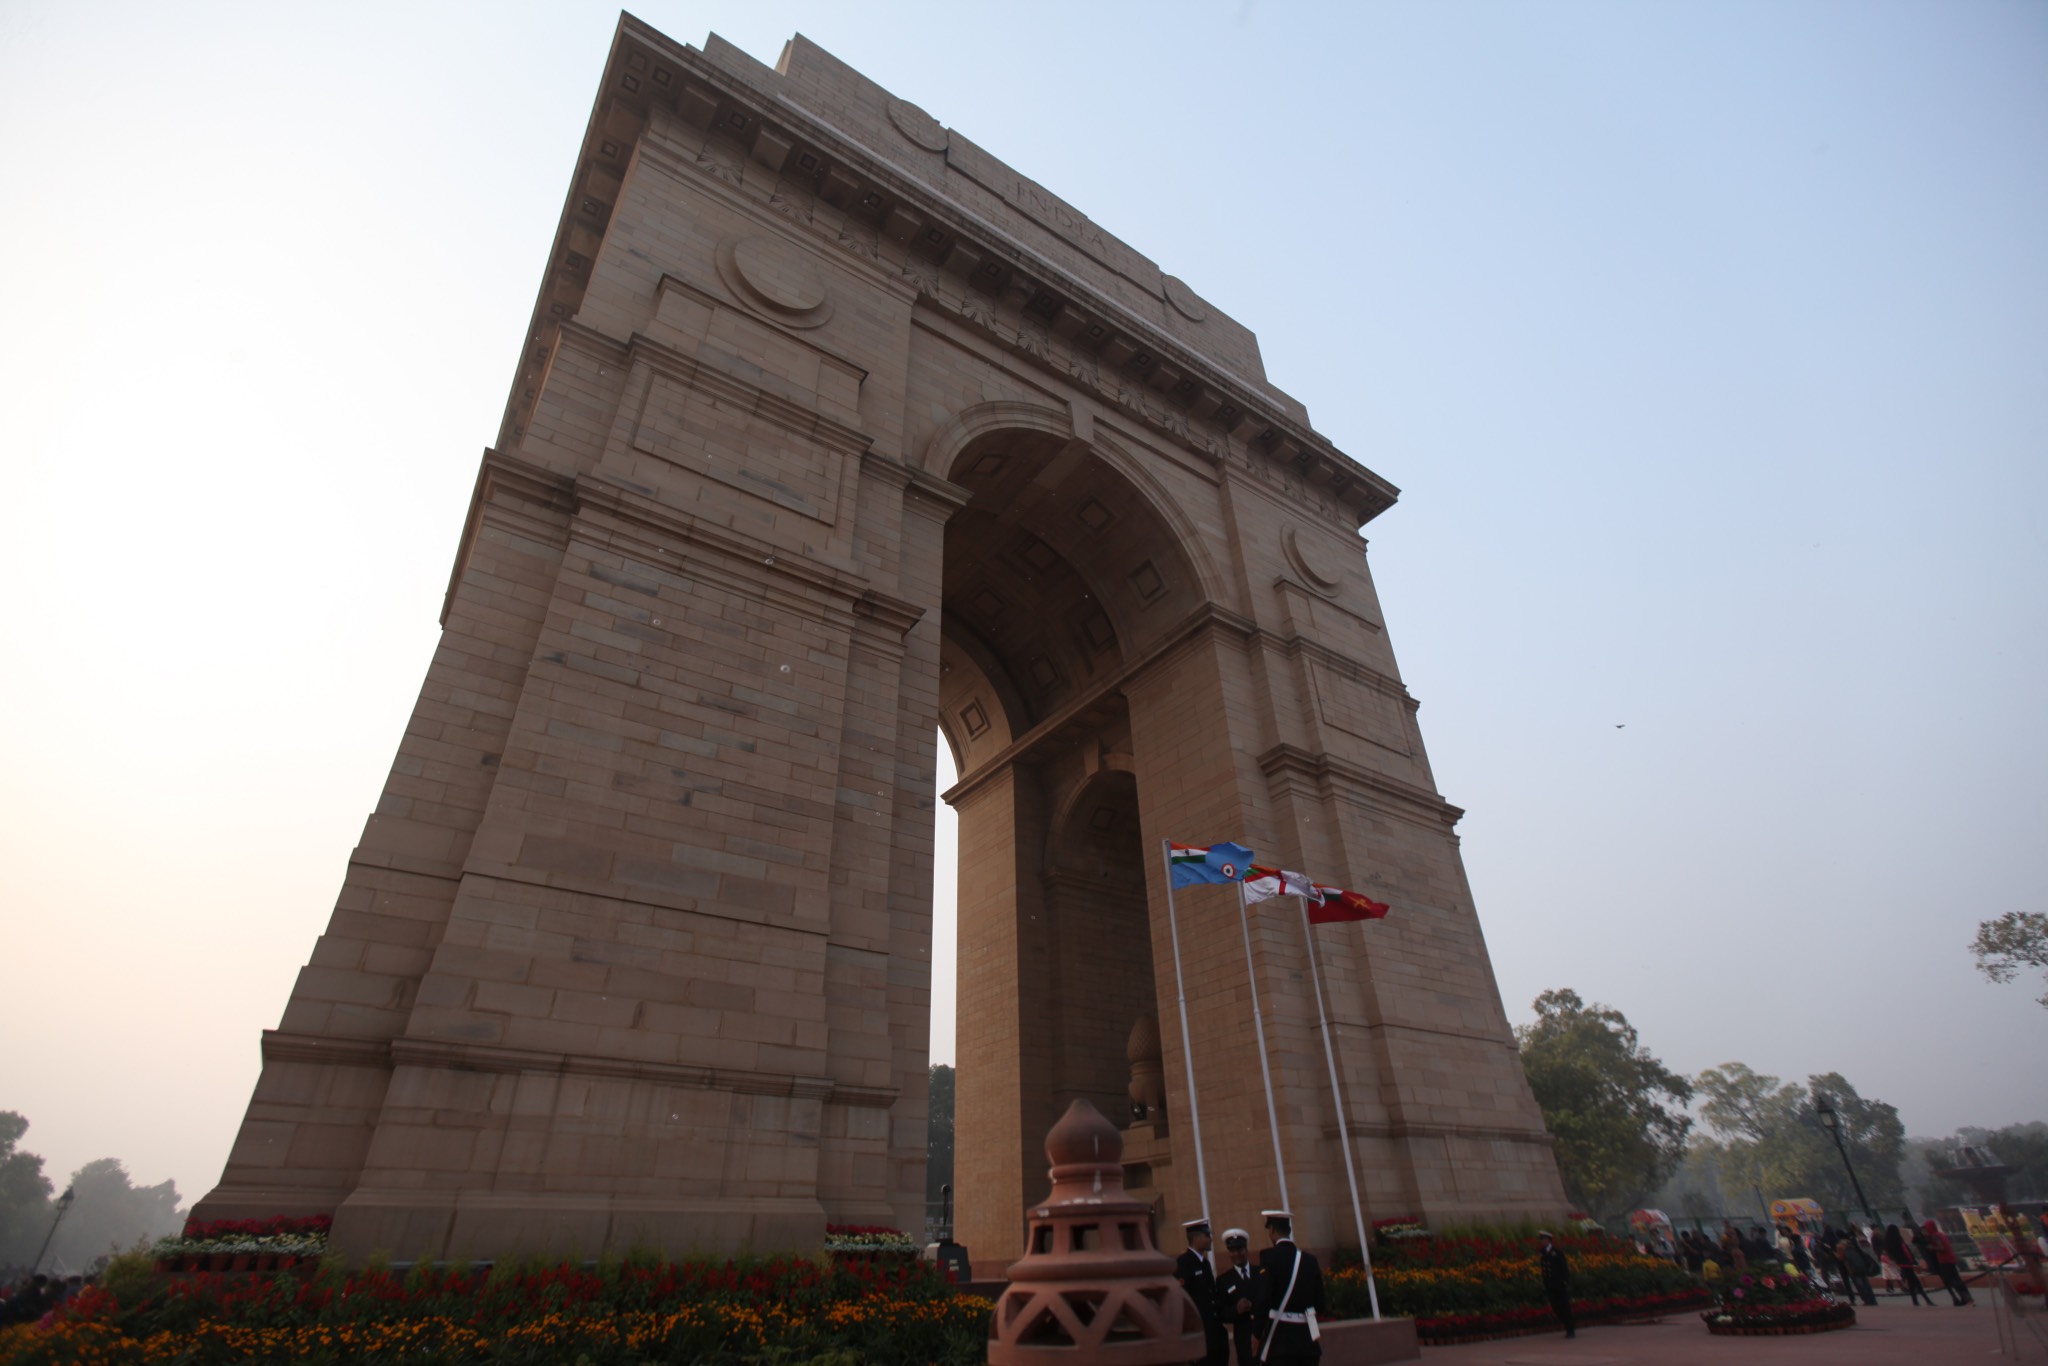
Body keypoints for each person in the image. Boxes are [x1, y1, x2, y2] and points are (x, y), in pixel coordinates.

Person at [1253, 1209, 1324, 1364]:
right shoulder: (1310, 1260)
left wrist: (1257, 1333)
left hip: (1280, 1342)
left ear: (1272, 1230)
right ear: (1289, 1230)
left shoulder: (1269, 1256)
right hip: (1307, 1342)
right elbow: (1320, 1303)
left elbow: (1264, 1298)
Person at [1174, 1218, 1230, 1366]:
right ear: (1197, 1238)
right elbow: (1182, 1302)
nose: (1210, 1239)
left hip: (1214, 1336)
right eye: (1207, 1235)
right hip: (1200, 1335)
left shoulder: (1204, 1263)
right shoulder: (1184, 1263)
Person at [1217, 1228, 1260, 1366]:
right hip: (1243, 1339)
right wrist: (1236, 1310)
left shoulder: (1260, 1272)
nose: (1237, 1254)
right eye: (1232, 1250)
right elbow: (1222, 1314)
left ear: (1246, 1250)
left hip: (1263, 1334)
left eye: (1240, 1249)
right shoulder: (1224, 1280)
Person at [1920, 1219, 1973, 1306]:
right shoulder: (1940, 1234)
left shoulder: (1934, 1236)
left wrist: (1932, 1248)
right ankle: (1967, 1297)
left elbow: (1941, 1248)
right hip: (1950, 1258)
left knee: (1952, 1280)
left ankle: (1965, 1297)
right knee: (1957, 1278)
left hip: (1944, 1260)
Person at [1537, 1229, 1576, 1340]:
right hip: (1550, 1285)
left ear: (1548, 1240)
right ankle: (1566, 1324)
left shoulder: (1557, 1252)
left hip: (1559, 1284)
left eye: (1543, 1239)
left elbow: (1564, 1268)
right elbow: (1544, 1269)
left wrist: (1565, 1282)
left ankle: (1570, 1329)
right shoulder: (1543, 1252)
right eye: (1541, 1239)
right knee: (1556, 1307)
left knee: (1564, 1307)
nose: (1542, 1241)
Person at [1883, 1224, 1934, 1306]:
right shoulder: (1899, 1240)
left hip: (1902, 1264)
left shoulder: (1889, 1243)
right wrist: (1912, 1261)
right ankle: (1925, 1299)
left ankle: (1916, 1300)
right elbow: (1906, 1251)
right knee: (1915, 1282)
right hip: (1907, 1263)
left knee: (1912, 1282)